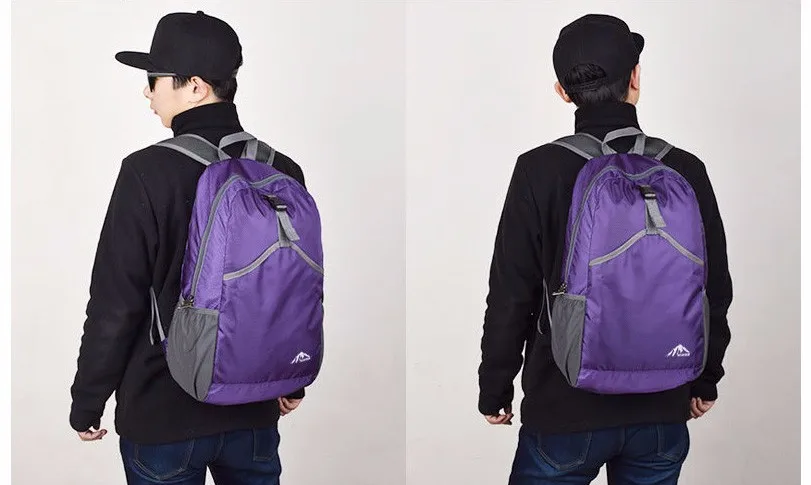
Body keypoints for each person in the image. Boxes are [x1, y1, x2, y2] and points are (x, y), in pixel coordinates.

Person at [478, 14, 733, 485]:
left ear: (562, 91)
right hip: (662, 408)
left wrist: (495, 385)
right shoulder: (685, 168)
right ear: (635, 78)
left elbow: (511, 293)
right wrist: (705, 378)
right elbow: (713, 288)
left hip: (563, 408)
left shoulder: (538, 169)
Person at [69, 11, 308, 484]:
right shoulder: (282, 169)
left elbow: (117, 302)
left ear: (194, 86)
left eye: (154, 79)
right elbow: (294, 285)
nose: (147, 92)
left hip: (163, 416)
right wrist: (291, 378)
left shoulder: (146, 171)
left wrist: (88, 400)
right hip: (254, 411)